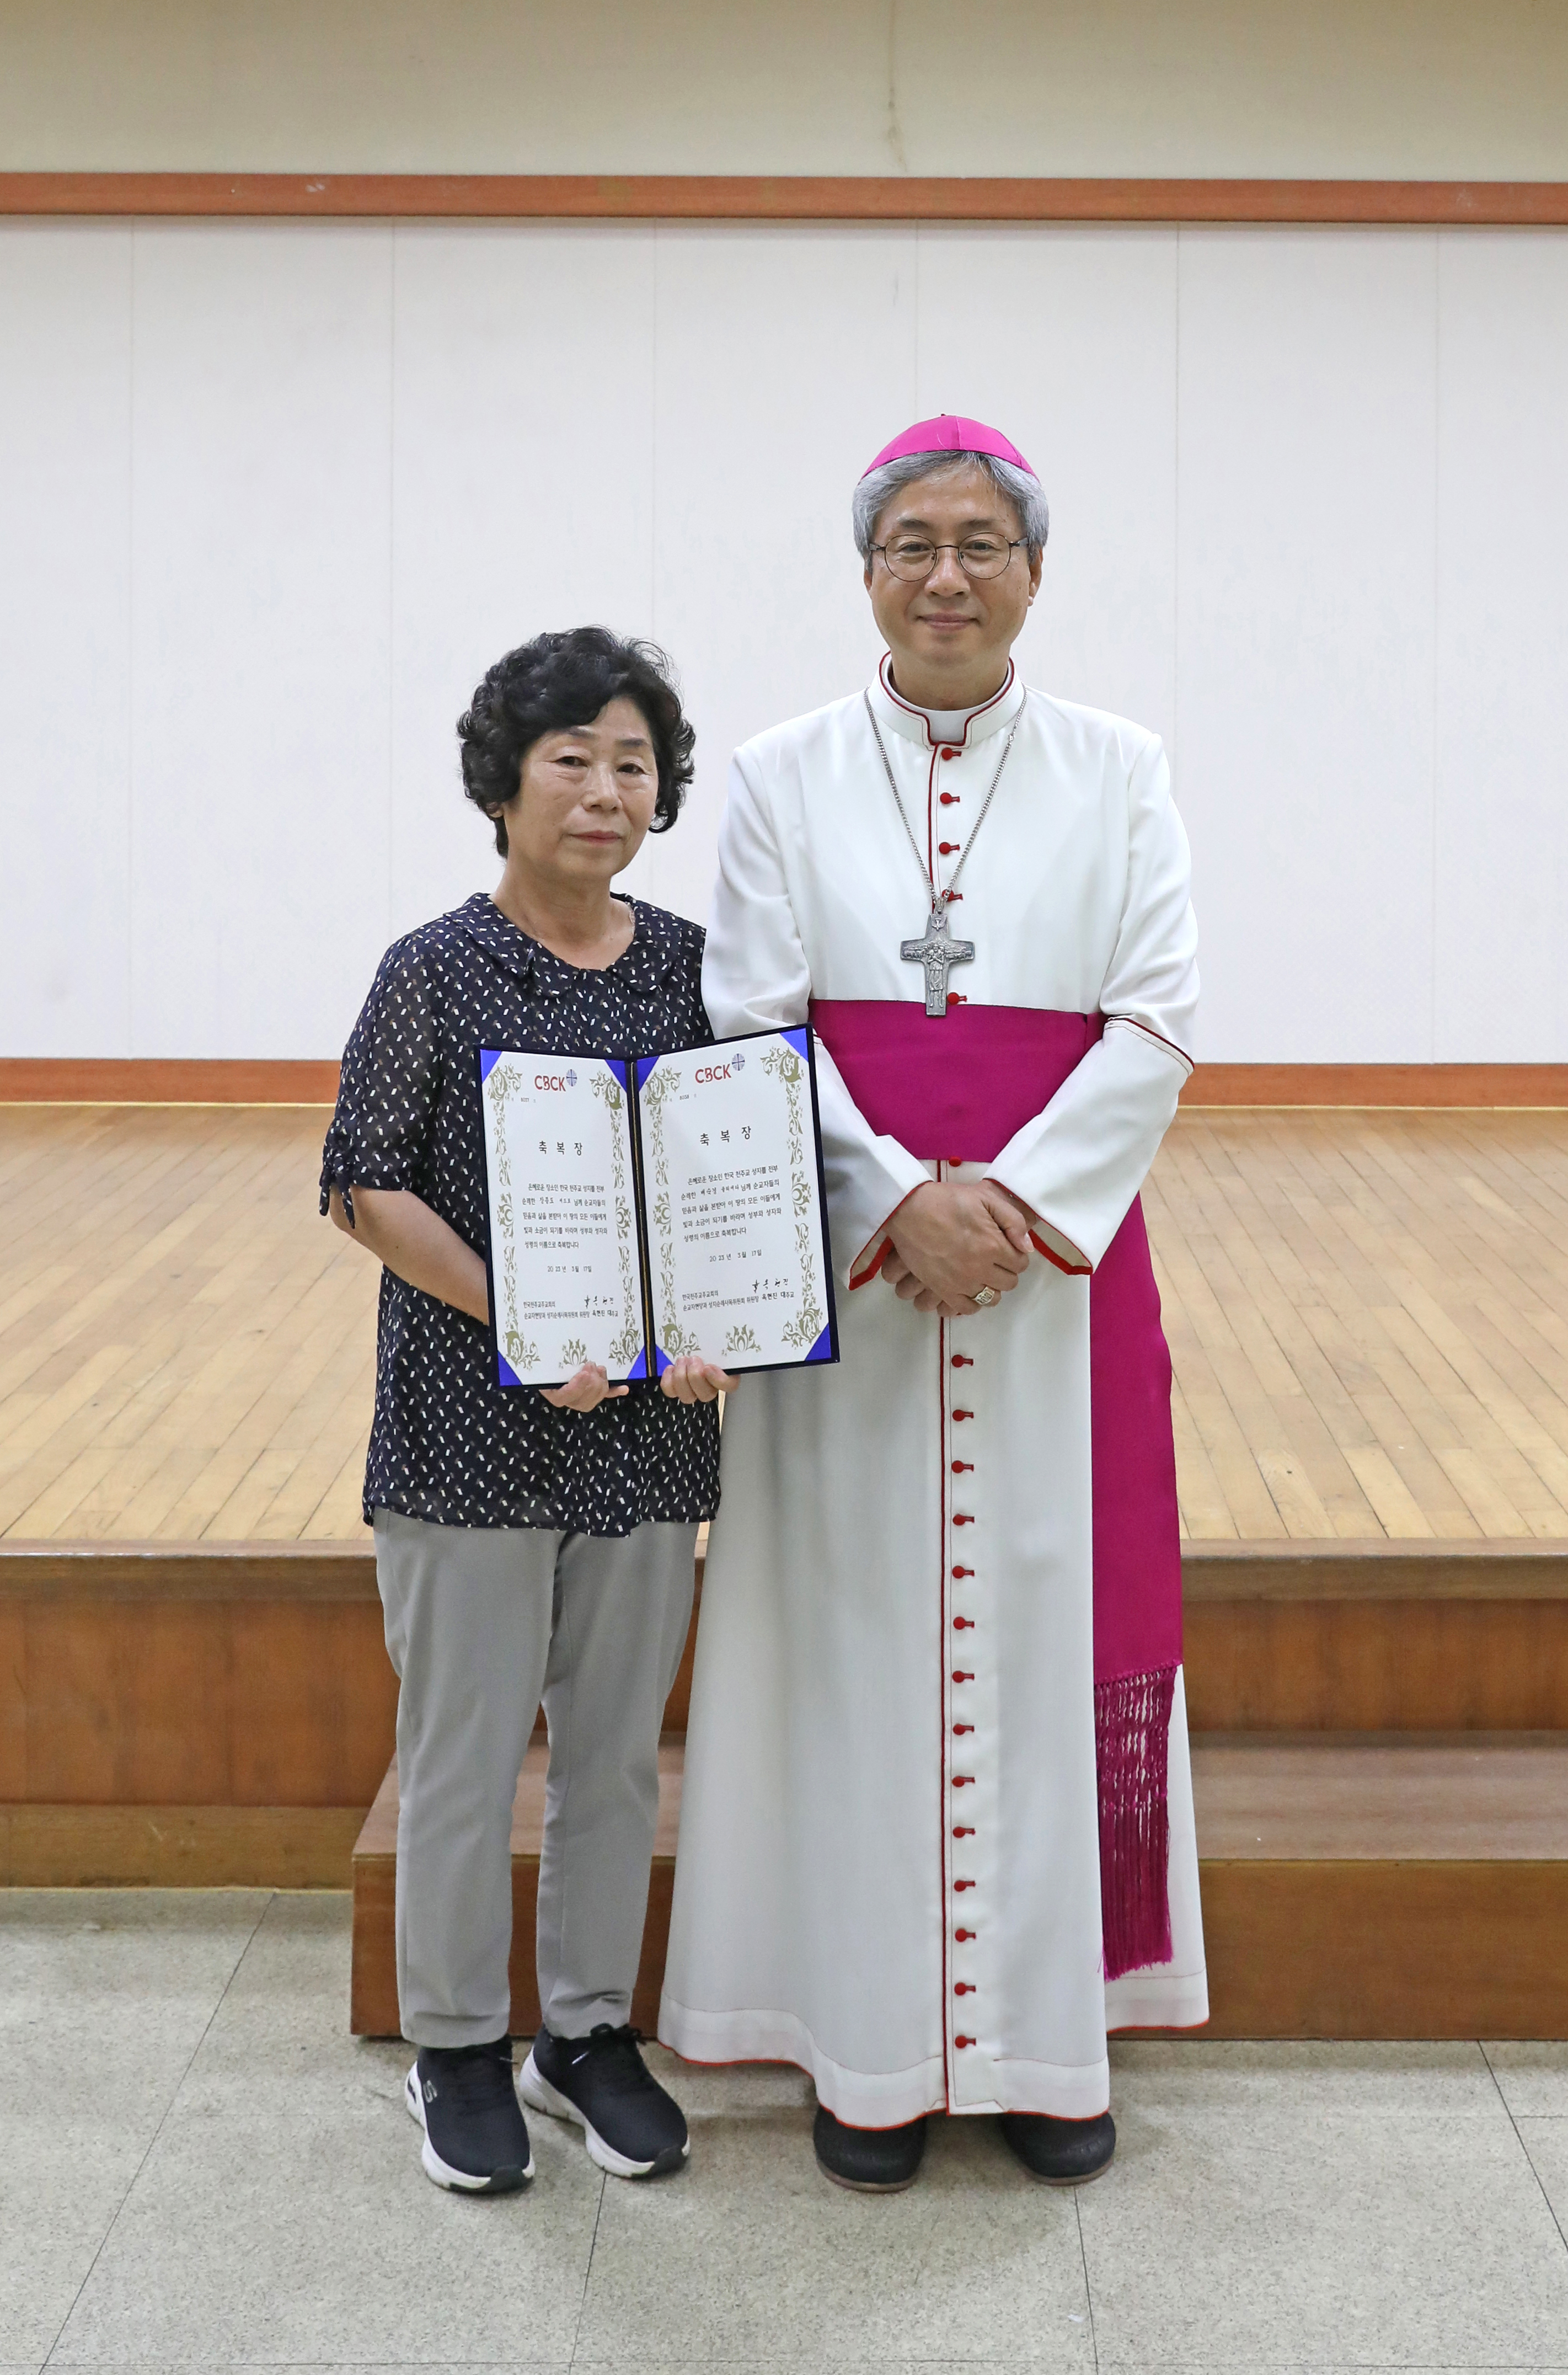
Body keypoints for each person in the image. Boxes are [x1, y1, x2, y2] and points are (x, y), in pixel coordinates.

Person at [660, 415, 1206, 2191]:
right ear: (869, 570)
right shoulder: (783, 769)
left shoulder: (1122, 767)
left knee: (1051, 1639)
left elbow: (1158, 1015)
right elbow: (753, 1019)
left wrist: (1015, 1205)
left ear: (1034, 568)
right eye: (915, 540)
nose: (949, 572)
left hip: (1052, 1296)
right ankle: (869, 2057)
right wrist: (897, 1194)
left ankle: (1052, 2055)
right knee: (851, 1647)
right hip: (857, 1291)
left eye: (983, 540)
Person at [322, 627, 734, 2196]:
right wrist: (529, 1312)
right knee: (465, 1749)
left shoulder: (693, 965)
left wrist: (710, 1321)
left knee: (618, 1753)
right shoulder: (431, 968)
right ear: (505, 783)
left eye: (632, 762)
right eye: (571, 758)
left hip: (643, 1429)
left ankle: (581, 2030)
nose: (604, 789)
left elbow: (728, 1180)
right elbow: (360, 1181)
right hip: (469, 1429)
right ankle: (452, 2043)